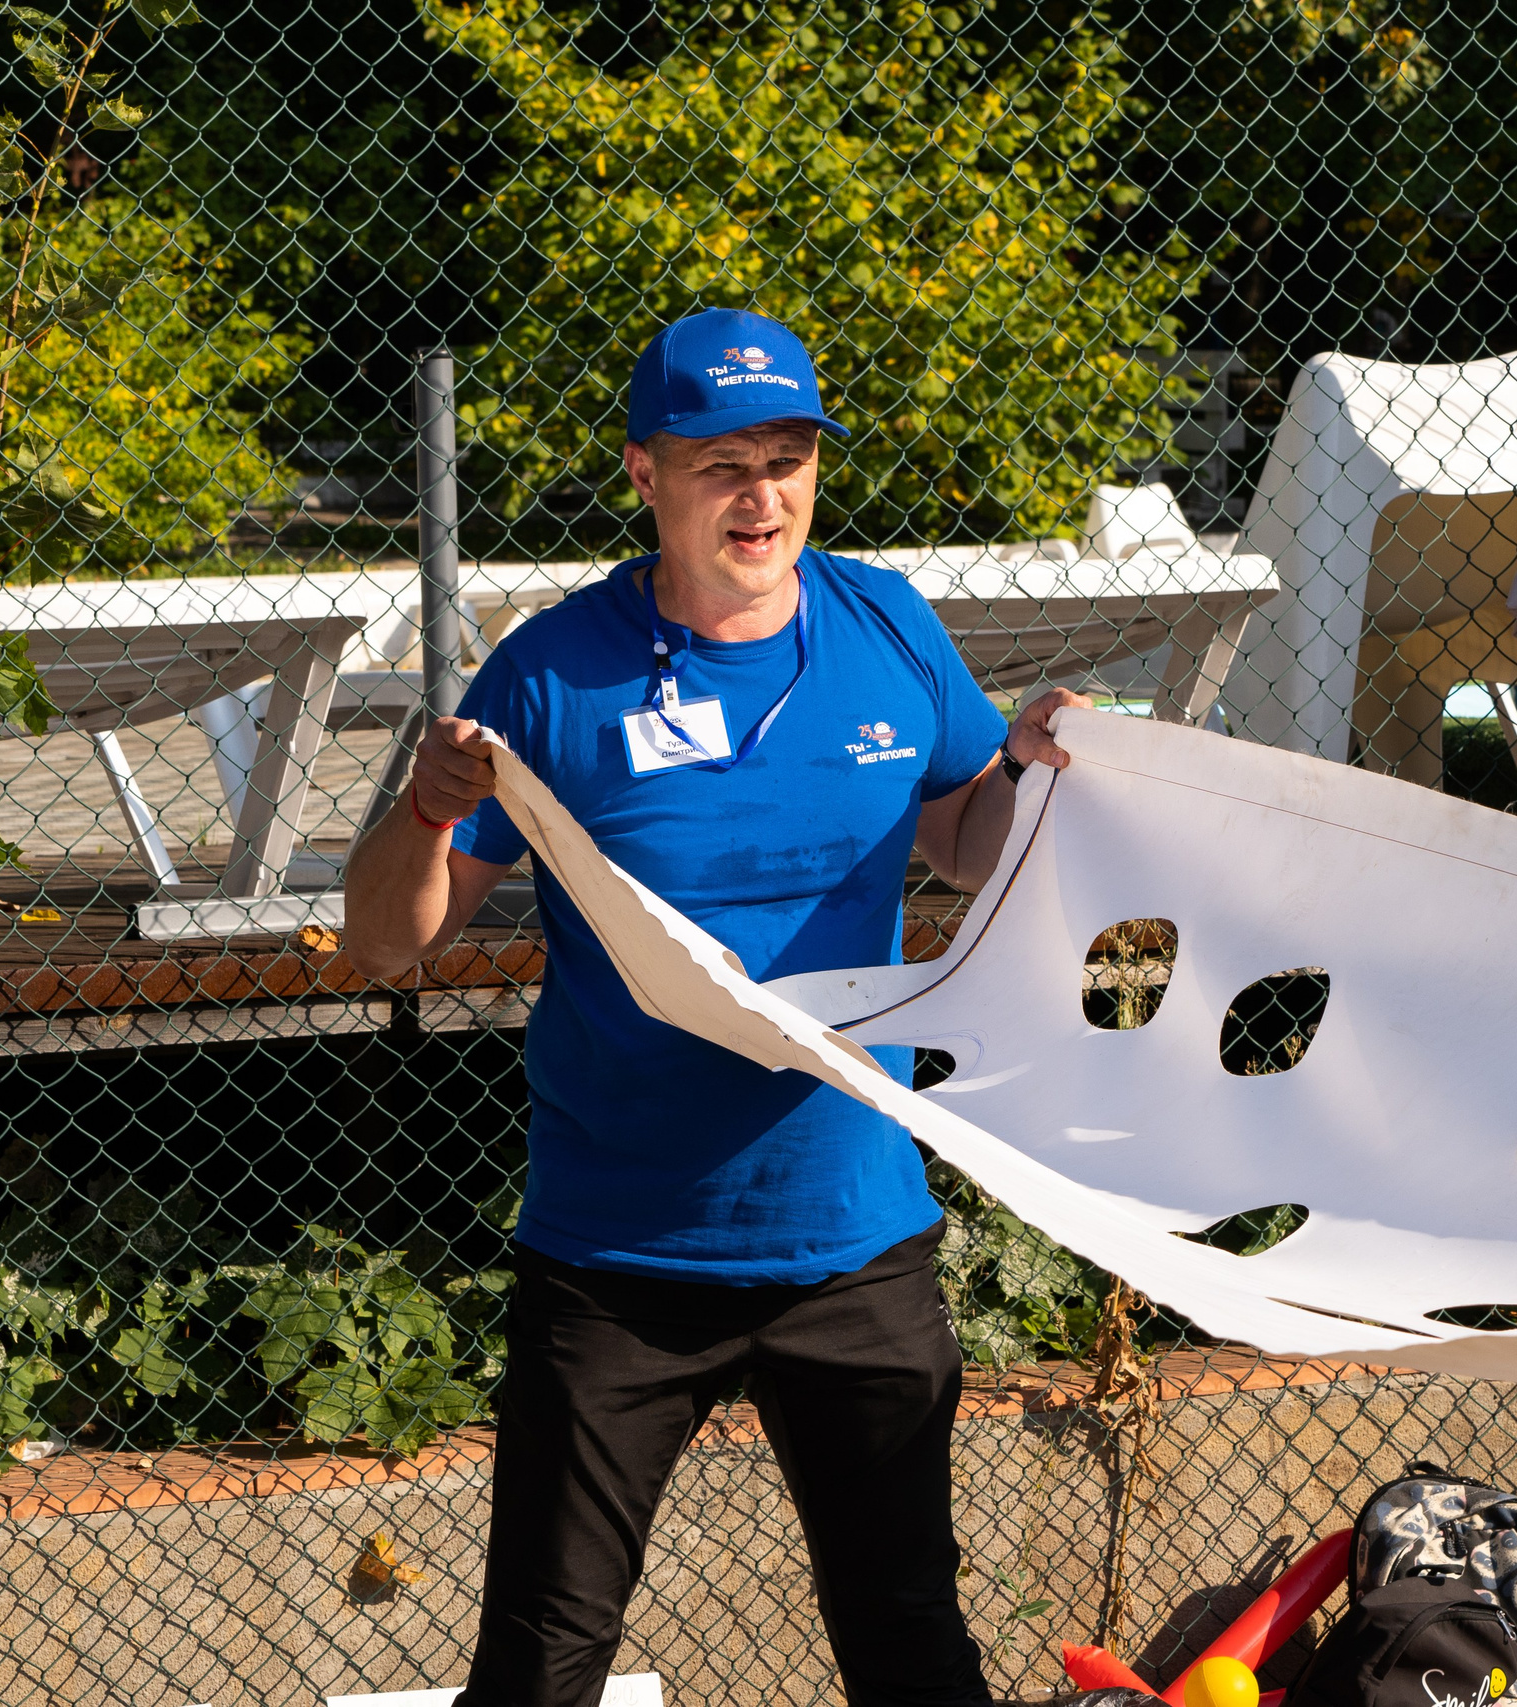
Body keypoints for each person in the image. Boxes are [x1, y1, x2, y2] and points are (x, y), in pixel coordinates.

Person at [344, 306, 1088, 1707]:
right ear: (646, 473)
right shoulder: (553, 671)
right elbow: (387, 941)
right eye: (721, 465)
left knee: (914, 1648)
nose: (762, 497)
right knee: (542, 1661)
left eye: (787, 459)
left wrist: (1028, 772)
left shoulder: (885, 623)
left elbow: (961, 841)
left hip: (853, 1240)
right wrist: (427, 811)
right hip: (617, 1253)